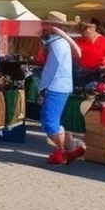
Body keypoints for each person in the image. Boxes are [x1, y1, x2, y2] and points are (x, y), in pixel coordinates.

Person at [38, 11, 85, 165]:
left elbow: (52, 67)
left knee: (49, 122)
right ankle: (68, 148)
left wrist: (43, 87)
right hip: (62, 85)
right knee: (53, 120)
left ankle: (66, 149)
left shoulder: (56, 43)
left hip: (55, 86)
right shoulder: (60, 42)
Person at [73, 18, 105, 88]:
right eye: (81, 27)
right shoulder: (77, 42)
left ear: (94, 27)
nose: (84, 30)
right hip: (80, 75)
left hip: (99, 76)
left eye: (87, 27)